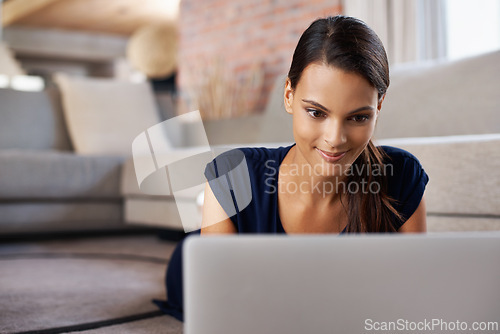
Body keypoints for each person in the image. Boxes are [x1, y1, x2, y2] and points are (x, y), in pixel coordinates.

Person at [153, 15, 429, 321]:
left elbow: (411, 296)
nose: (335, 139)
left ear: (378, 107)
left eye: (358, 117)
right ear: (288, 96)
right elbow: (224, 310)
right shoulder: (231, 174)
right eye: (315, 112)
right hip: (190, 269)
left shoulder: (402, 175)